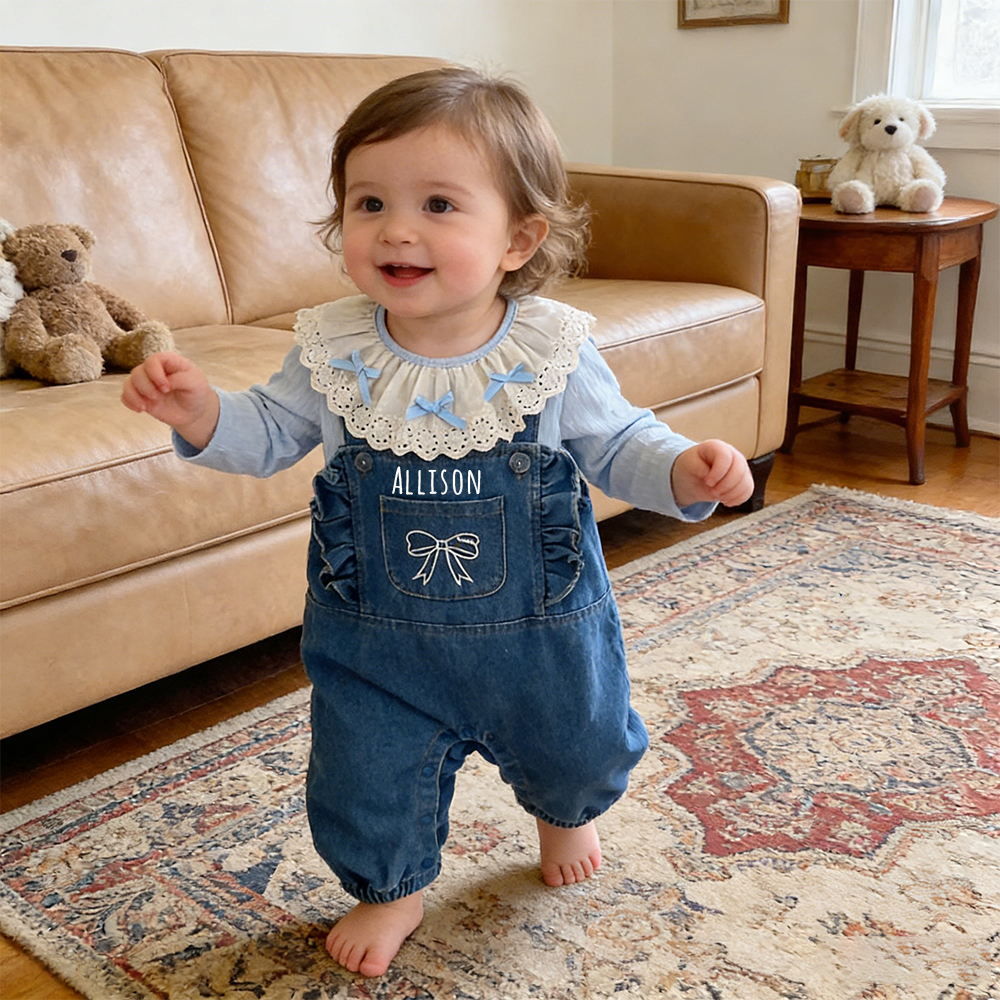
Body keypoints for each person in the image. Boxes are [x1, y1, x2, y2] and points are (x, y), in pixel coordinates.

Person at [122, 66, 753, 978]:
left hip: (542, 634)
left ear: (518, 238)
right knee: (364, 772)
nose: (397, 228)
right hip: (375, 640)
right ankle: (392, 886)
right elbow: (265, 435)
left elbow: (618, 441)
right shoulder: (331, 347)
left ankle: (562, 812)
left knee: (575, 744)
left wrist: (683, 467)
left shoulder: (551, 350)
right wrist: (199, 413)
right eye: (369, 202)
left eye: (440, 205)